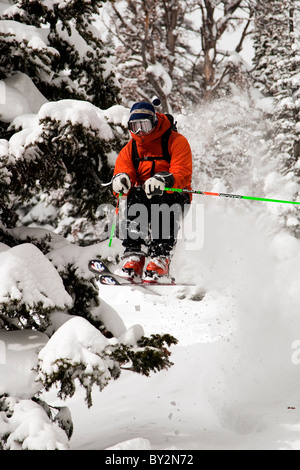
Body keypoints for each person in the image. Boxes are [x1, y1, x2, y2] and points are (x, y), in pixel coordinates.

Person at [112, 100, 192, 282]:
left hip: (175, 196)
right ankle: (134, 255)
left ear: (154, 121)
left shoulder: (176, 141)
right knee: (135, 195)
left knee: (163, 200)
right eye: (135, 126)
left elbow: (182, 171)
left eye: (145, 125)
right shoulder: (130, 148)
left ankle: (160, 257)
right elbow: (123, 170)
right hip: (144, 198)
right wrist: (121, 180)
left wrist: (164, 180)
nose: (140, 132)